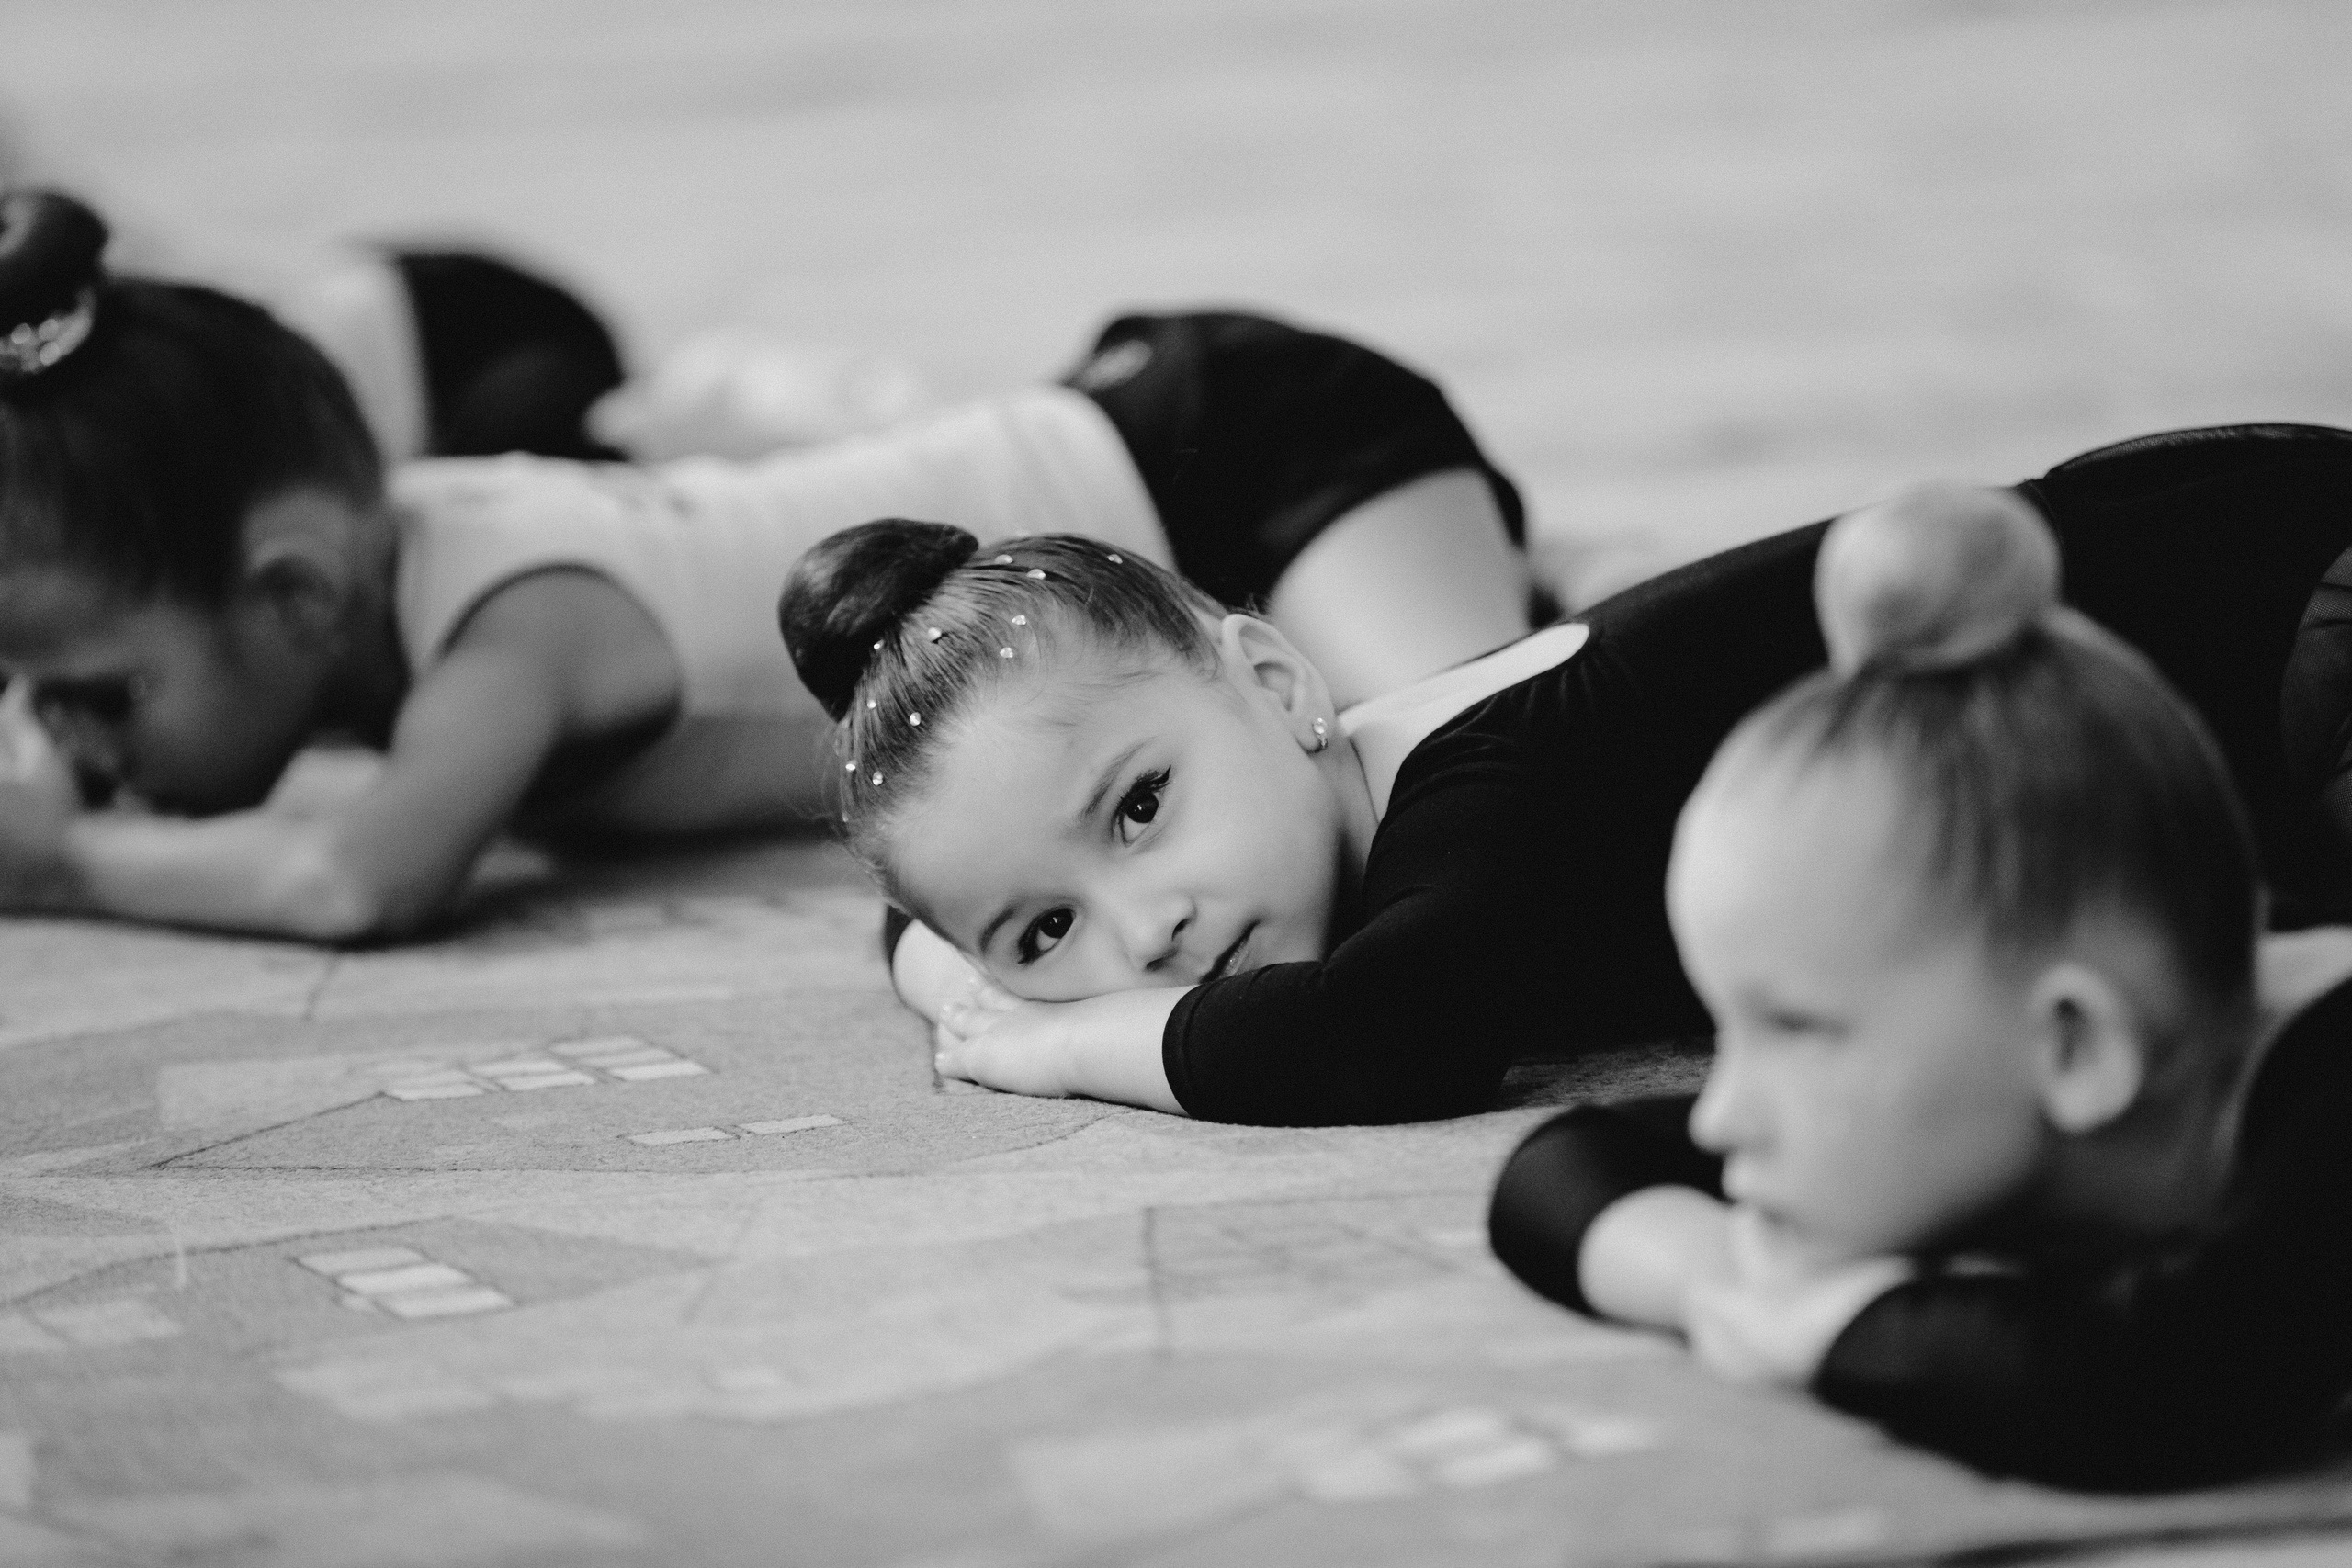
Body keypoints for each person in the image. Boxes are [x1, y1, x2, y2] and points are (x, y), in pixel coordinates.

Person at [0, 187, 1534, 939]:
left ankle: (1530, 577)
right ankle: (1502, 554)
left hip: (1237, 466)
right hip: (1104, 522)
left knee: (1471, 779)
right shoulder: (381, 569)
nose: (67, 741)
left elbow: (359, 874)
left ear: (295, 593)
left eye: (97, 693)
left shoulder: (511, 621)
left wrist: (65, 864)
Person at [819, 420, 2352, 1127]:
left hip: (2280, 626)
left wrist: (1042, 1041)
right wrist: (952, 957)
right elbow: (925, 917)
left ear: (1282, 682)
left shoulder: (1481, 803)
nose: (1143, 931)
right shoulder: (1343, 791)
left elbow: (1377, 1043)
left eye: (1142, 808)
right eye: (1046, 934)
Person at [1484, 488, 2352, 1490]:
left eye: (1795, 1030)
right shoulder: (2027, 1080)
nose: (1719, 1117)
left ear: (2074, 1046)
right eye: (1729, 1031)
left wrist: (1820, 1323)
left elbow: (2144, 1391)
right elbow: (1559, 1169)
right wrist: (1711, 1281)